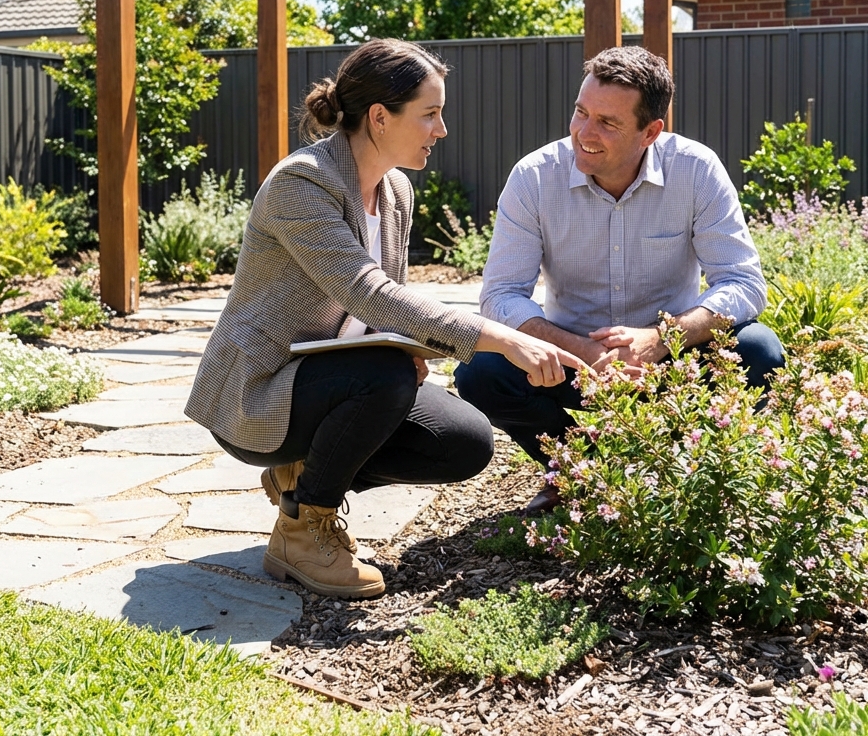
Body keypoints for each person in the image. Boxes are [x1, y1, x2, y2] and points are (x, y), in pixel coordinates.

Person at [187, 38, 585, 599]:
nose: (441, 130)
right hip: (260, 392)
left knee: (464, 441)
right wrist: (498, 338)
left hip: (339, 374)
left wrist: (404, 347)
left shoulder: (395, 189)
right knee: (384, 376)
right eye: (429, 114)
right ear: (379, 117)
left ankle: (300, 483)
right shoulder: (303, 183)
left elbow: (386, 303)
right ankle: (304, 534)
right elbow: (366, 291)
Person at [454, 46, 785, 515]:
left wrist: (662, 337)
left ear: (650, 132)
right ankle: (574, 472)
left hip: (674, 365)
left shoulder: (695, 169)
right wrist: (582, 352)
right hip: (569, 368)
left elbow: (743, 281)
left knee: (760, 351)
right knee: (480, 370)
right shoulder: (534, 177)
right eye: (581, 112)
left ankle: (680, 474)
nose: (584, 133)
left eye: (608, 123)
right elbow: (501, 295)